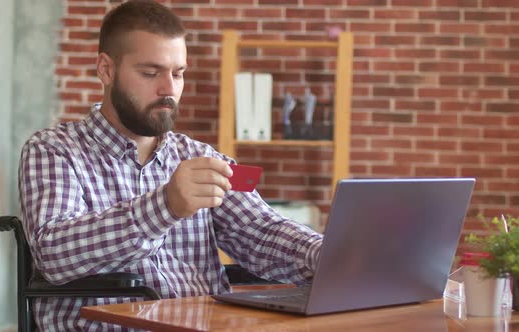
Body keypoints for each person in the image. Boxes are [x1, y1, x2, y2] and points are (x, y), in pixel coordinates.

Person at [18, 0, 323, 330]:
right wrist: (165, 206)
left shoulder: (200, 158)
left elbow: (263, 233)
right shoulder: (54, 150)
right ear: (106, 70)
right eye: (150, 73)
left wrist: (335, 257)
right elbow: (54, 254)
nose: (169, 89)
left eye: (178, 73)